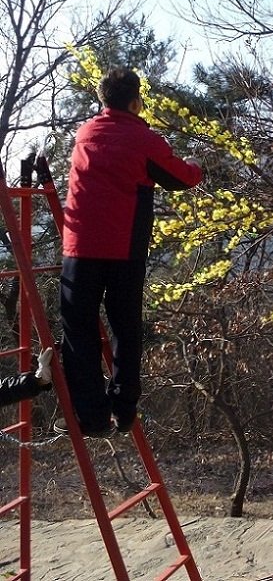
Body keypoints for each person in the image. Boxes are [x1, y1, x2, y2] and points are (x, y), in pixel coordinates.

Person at [58, 68, 203, 437]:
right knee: (125, 326)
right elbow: (181, 179)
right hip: (124, 249)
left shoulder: (85, 133)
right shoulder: (144, 139)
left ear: (104, 99)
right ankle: (123, 409)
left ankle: (91, 416)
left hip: (80, 246)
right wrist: (200, 165)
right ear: (136, 100)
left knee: (79, 329)